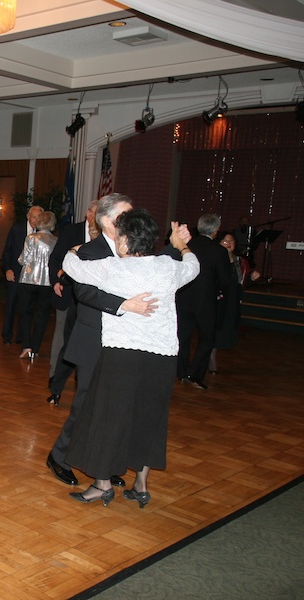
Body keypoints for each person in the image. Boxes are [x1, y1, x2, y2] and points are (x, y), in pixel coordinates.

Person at [62, 209, 199, 507]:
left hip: (122, 357)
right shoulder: (168, 267)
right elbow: (193, 266)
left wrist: (74, 247)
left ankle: (102, 485)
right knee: (150, 419)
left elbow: (70, 266)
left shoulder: (113, 268)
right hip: (162, 359)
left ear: (124, 240)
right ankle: (141, 485)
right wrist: (181, 245)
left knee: (108, 417)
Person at [44, 193, 163, 488]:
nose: (130, 219)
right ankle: (58, 457)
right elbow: (84, 293)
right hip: (93, 339)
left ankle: (103, 465)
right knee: (85, 405)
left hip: (124, 341)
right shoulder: (90, 251)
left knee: (113, 407)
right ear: (108, 221)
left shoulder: (131, 249)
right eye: (125, 214)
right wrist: (125, 304)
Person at [46, 201, 99, 406]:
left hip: (92, 299)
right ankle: (55, 379)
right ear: (88, 213)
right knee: (65, 338)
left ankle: (83, 380)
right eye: (96, 212)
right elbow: (57, 258)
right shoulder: (72, 231)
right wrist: (56, 281)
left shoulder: (107, 237)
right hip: (67, 291)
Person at [176, 214, 233, 390]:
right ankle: (195, 375)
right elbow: (225, 281)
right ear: (216, 230)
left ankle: (182, 373)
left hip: (183, 298)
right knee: (207, 338)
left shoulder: (186, 246)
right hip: (206, 301)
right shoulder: (219, 251)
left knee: (182, 338)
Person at [210, 231, 259, 374]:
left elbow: (241, 282)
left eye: (231, 241)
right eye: (225, 241)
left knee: (228, 326)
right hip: (218, 299)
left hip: (233, 299)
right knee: (215, 327)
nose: (229, 243)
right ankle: (210, 356)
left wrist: (252, 279)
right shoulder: (215, 259)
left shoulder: (240, 261)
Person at [16, 210, 57, 361]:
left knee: (25, 313)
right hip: (47, 282)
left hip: (28, 279)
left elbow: (22, 259)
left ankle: (26, 346)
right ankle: (35, 348)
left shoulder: (31, 238)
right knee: (42, 315)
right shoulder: (55, 240)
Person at [1, 205, 44, 344]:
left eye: (39, 218)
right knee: (11, 305)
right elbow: (7, 251)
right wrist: (7, 269)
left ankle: (22, 337)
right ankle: (7, 335)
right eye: (33, 217)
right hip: (15, 273)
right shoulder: (17, 229)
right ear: (28, 216)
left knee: (27, 307)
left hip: (31, 277)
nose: (35, 220)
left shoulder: (42, 233)